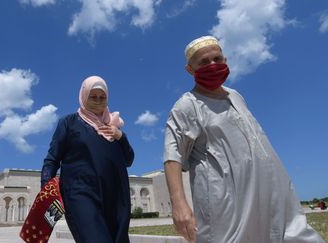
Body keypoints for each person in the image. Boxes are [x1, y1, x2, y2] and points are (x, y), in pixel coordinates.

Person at [163, 36, 324, 243]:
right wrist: (179, 204)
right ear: (190, 70)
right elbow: (172, 154)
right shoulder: (186, 105)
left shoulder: (236, 95)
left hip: (266, 190)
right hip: (224, 199)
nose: (213, 65)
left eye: (217, 59)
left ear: (225, 60)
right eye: (204, 62)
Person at [40, 75, 134, 243]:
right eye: (93, 96)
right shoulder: (69, 123)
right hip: (80, 194)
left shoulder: (113, 127)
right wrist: (46, 192)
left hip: (115, 197)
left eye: (102, 97)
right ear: (84, 96)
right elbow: (52, 159)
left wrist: (120, 136)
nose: (98, 101)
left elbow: (129, 159)